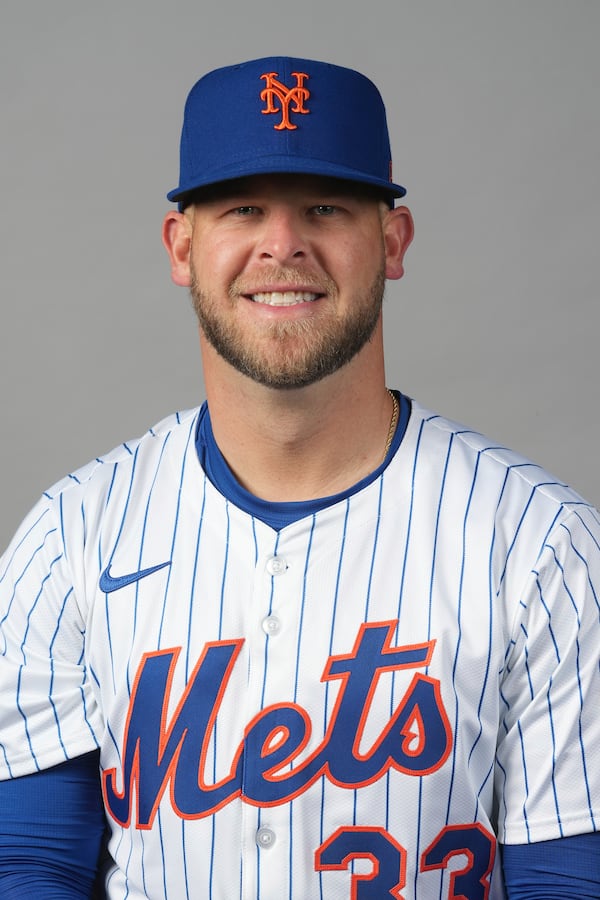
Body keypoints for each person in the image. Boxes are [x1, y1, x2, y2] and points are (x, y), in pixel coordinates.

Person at [0, 55, 598, 900]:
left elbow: (569, 881)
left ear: (392, 241)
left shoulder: (540, 546)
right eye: (244, 207)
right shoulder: (68, 538)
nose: (284, 246)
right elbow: (30, 866)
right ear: (182, 245)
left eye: (326, 207)